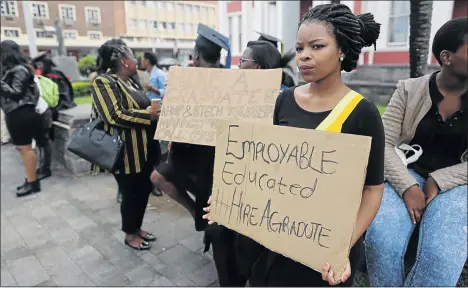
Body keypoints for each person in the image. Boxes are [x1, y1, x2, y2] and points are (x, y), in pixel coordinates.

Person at [204, 3, 384, 287]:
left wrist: (342, 246)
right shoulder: (285, 101)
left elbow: (373, 189)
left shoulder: (363, 113)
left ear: (341, 50)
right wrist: (230, 198)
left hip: (322, 244)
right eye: (300, 49)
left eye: (317, 46)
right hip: (277, 233)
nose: (305, 57)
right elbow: (270, 167)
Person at [365, 17, 468, 287]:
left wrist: (440, 180)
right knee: (380, 238)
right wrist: (408, 186)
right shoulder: (409, 90)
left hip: (460, 182)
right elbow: (383, 143)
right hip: (406, 172)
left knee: (442, 253)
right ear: (447, 57)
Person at [150, 23, 237, 285]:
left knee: (217, 219)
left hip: (210, 161)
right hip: (194, 156)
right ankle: (196, 214)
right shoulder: (191, 80)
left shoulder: (220, 81)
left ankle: (229, 271)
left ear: (197, 54)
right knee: (159, 177)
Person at [91, 40, 161, 250]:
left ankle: (137, 228)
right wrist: (148, 115)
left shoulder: (131, 81)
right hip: (125, 153)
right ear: (123, 60)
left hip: (144, 149)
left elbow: (141, 107)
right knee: (131, 193)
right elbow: (113, 115)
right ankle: (130, 235)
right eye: (132, 55)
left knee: (142, 190)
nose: (136, 60)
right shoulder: (104, 82)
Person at [0, 40, 42, 196]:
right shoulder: (14, 70)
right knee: (23, 148)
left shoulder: (20, 70)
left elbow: (16, 92)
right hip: (16, 112)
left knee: (25, 149)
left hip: (21, 112)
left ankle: (33, 183)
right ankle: (30, 178)